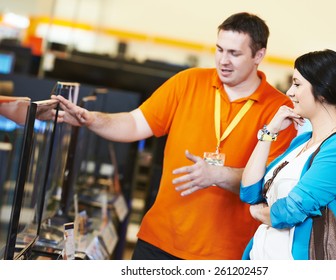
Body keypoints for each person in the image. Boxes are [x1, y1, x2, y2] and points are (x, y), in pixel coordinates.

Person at [53, 12, 297, 260]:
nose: (223, 60)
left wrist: (217, 175)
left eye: (234, 53)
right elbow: (135, 123)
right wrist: (92, 119)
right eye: (220, 49)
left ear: (259, 55)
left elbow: (269, 183)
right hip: (160, 239)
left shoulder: (280, 111)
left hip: (226, 254)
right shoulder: (187, 82)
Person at [240, 49, 336, 260]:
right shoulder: (302, 141)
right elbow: (250, 192)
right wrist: (269, 133)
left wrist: (257, 213)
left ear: (323, 91)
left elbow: (288, 212)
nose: (289, 92)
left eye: (297, 84)